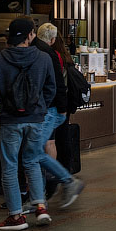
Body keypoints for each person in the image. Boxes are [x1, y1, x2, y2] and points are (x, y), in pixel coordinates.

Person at [0, 18, 56, 231]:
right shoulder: (44, 58)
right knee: (33, 162)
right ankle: (40, 207)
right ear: (31, 35)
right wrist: (39, 108)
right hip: (36, 119)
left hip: (10, 120)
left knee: (10, 167)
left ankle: (16, 217)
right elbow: (51, 89)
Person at [31, 25, 85, 208]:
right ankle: (40, 195)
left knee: (34, 151)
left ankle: (58, 184)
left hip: (48, 110)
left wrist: (60, 108)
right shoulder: (53, 54)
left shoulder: (46, 54)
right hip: (53, 109)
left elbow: (56, 84)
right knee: (40, 148)